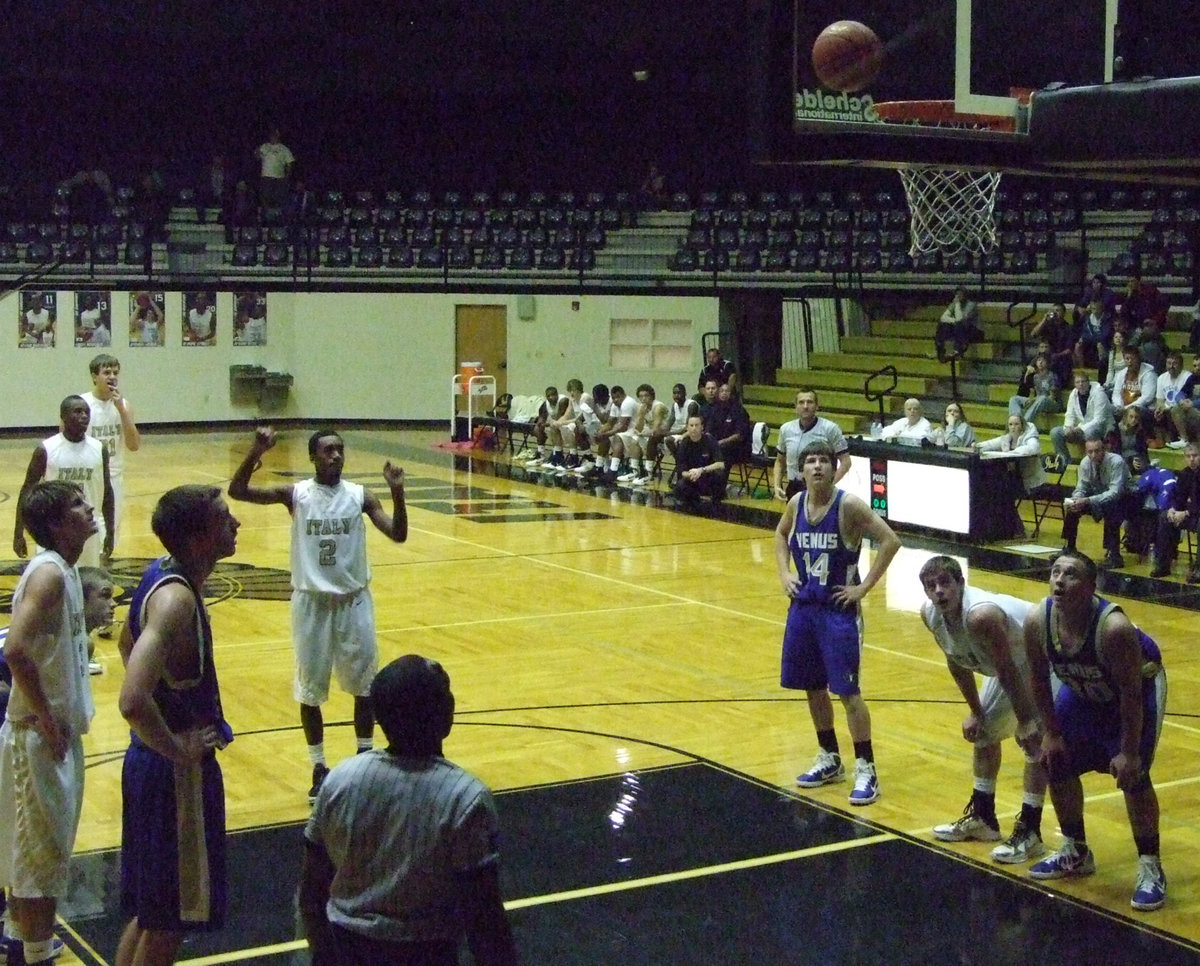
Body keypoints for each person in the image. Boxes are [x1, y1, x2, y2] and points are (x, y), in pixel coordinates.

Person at [299, 655, 518, 966]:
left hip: (344, 949)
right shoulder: (465, 799)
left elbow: (310, 893)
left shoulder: (339, 781)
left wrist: (324, 956)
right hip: (425, 953)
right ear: (447, 715)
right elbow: (485, 924)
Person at [228, 428, 408, 802]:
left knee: (365, 686)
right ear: (312, 457)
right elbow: (238, 491)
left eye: (340, 450)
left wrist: (397, 491)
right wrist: (256, 450)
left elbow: (398, 534)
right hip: (311, 602)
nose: (336, 456)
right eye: (328, 450)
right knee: (310, 690)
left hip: (353, 600)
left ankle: (364, 757)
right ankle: (318, 765)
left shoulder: (360, 496)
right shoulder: (297, 494)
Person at [116, 485, 240, 966]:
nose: (236, 524)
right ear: (197, 536)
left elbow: (127, 642)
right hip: (174, 776)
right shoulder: (175, 602)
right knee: (170, 923)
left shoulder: (164, 574)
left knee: (153, 913)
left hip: (149, 763)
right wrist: (176, 747)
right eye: (224, 517)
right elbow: (131, 699)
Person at [1023, 551, 1168, 912]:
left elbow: (1132, 695)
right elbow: (1039, 679)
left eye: (1070, 575)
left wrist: (1130, 751)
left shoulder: (1113, 628)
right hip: (1084, 689)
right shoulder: (1038, 619)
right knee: (1055, 760)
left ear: (1090, 587)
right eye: (1055, 572)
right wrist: (1051, 733)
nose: (1059, 580)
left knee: (1133, 777)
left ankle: (1151, 866)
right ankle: (1075, 850)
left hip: (1135, 688)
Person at [0, 481, 97, 966]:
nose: (91, 507)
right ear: (58, 524)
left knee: (41, 859)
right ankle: (36, 955)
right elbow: (13, 650)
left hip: (56, 737)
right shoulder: (50, 575)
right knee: (39, 865)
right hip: (39, 740)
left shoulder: (66, 570)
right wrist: (45, 716)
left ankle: (20, 943)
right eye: (79, 505)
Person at [776, 441, 901, 805]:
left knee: (847, 693)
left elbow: (890, 541)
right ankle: (829, 757)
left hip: (837, 611)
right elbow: (781, 535)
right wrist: (784, 573)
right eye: (811, 461)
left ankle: (866, 767)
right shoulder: (796, 504)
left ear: (834, 469)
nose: (817, 467)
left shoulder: (848, 505)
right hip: (803, 608)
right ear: (802, 470)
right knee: (812, 686)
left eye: (824, 461)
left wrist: (862, 587)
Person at [918, 556, 1050, 864]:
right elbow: (956, 661)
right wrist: (976, 711)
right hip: (1014, 666)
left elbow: (1006, 670)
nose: (939, 591)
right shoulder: (930, 615)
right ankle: (984, 818)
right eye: (931, 586)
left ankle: (1031, 831)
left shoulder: (980, 616)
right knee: (985, 731)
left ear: (961, 584)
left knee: (1033, 741)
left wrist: (1029, 719)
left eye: (945, 583)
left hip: (1043, 657)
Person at [13, 395, 114, 569]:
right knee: (53, 578)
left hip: (87, 528)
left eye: (86, 412)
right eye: (78, 411)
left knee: (87, 584)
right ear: (63, 416)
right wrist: (18, 533)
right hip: (54, 529)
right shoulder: (46, 449)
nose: (84, 416)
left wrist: (110, 531)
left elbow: (107, 492)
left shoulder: (99, 449)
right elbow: (27, 491)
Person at [82, 353, 141, 549]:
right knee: (87, 528)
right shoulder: (82, 405)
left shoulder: (123, 405)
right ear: (94, 376)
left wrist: (122, 411)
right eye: (106, 372)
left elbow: (134, 445)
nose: (112, 376)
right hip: (88, 476)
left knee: (111, 530)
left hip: (114, 476)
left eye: (115, 372)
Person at [1061, 433, 1139, 569]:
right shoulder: (1085, 462)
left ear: (1104, 449)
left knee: (1112, 508)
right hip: (1100, 495)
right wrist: (1076, 499)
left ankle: (1114, 556)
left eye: (1097, 451)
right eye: (1089, 452)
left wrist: (1087, 500)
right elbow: (1082, 486)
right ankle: (1069, 547)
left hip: (1127, 498)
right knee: (1072, 509)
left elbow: (1115, 493)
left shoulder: (1116, 462)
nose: (1093, 455)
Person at [772, 389, 850, 501]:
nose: (805, 406)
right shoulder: (786, 429)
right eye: (801, 402)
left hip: (819, 488)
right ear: (795, 407)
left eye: (809, 402)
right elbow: (779, 461)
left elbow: (846, 462)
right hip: (794, 487)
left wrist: (829, 486)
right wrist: (777, 485)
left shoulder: (831, 428)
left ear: (817, 406)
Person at [1151, 442, 1200, 580]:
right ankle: (1163, 565)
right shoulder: (1185, 474)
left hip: (1196, 514)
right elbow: (1178, 496)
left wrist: (1185, 513)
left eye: (1195, 456)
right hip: (1189, 513)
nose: (1191, 459)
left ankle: (1199, 569)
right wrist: (1173, 509)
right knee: (1164, 517)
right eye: (1188, 456)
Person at [1049, 371, 1114, 473]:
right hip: (1082, 428)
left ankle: (1092, 464)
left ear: (1088, 382)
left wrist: (1080, 429)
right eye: (1078, 382)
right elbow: (1070, 414)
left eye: (1083, 381)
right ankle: (1065, 461)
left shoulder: (1099, 393)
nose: (1080, 384)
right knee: (1055, 432)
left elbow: (1099, 419)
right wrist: (1068, 428)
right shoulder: (1073, 394)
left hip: (1102, 428)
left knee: (1089, 432)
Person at [616, 384, 669, 486]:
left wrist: (646, 433)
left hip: (664, 434)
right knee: (634, 439)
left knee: (650, 439)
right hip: (651, 434)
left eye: (646, 396)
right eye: (641, 396)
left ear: (652, 396)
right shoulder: (642, 408)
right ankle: (635, 472)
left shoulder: (658, 407)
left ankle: (649, 473)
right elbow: (639, 428)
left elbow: (657, 427)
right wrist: (641, 415)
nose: (643, 399)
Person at [670, 414, 725, 510]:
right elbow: (681, 469)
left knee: (719, 476)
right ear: (687, 427)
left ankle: (712, 500)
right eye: (691, 425)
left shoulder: (710, 440)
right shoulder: (684, 444)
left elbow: (720, 464)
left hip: (708, 476)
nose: (694, 428)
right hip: (692, 478)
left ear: (702, 427)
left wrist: (701, 470)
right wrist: (691, 474)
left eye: (697, 425)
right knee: (680, 486)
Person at [703, 382, 751, 469]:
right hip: (717, 444)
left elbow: (738, 435)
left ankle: (721, 480)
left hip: (736, 447)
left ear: (731, 394)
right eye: (722, 391)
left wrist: (721, 442)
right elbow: (708, 429)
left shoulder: (738, 410)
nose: (724, 393)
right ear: (718, 393)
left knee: (721, 451)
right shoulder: (715, 409)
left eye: (727, 391)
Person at [1109, 344, 1156, 431]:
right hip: (1122, 407)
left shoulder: (1149, 374)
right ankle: (1113, 437)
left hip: (1143, 408)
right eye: (1127, 359)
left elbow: (1147, 398)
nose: (1130, 362)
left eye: (1132, 359)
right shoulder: (1122, 374)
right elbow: (1116, 393)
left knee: (1139, 411)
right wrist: (1120, 406)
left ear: (1138, 359)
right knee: (1108, 408)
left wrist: (1127, 409)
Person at [1008, 352, 1061, 424]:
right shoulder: (1035, 377)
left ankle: (1024, 424)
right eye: (1038, 360)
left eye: (1043, 360)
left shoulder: (1052, 376)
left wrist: (1035, 400)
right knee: (1014, 399)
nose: (1040, 362)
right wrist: (1027, 373)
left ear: (1047, 363)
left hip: (1052, 403)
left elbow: (1052, 397)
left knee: (1042, 398)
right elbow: (1028, 387)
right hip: (1038, 401)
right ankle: (1016, 420)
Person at [1151, 350, 1191, 445]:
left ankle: (1181, 440)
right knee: (1149, 413)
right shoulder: (1161, 378)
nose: (1171, 366)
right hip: (1166, 411)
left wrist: (1166, 409)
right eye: (1169, 363)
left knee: (1173, 411)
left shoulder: (1188, 377)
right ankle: (1160, 443)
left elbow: (1184, 401)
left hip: (1181, 410)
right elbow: (1160, 400)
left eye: (1174, 363)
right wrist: (1159, 409)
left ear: (1181, 365)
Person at [934, 288, 982, 362]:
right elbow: (943, 318)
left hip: (975, 331)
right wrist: (953, 320)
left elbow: (961, 319)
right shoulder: (954, 304)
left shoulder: (971, 305)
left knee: (959, 324)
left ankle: (958, 350)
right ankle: (940, 347)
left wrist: (957, 304)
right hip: (961, 331)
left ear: (965, 296)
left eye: (960, 294)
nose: (958, 296)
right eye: (957, 294)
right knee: (942, 324)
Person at [521, 386, 563, 469]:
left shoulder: (563, 401)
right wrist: (539, 424)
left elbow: (561, 417)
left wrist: (549, 423)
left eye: (553, 395)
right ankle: (541, 455)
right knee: (540, 428)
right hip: (556, 423)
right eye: (548, 396)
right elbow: (542, 417)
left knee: (554, 427)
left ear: (557, 395)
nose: (551, 397)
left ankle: (558, 456)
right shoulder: (546, 403)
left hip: (566, 423)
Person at [256, 126, 294, 211]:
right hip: (266, 177)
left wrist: (287, 176)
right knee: (265, 197)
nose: (273, 137)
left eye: (275, 135)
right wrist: (257, 151)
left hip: (279, 178)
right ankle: (267, 216)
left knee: (278, 198)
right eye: (272, 135)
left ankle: (278, 216)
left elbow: (289, 163)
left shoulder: (284, 149)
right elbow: (257, 157)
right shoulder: (265, 146)